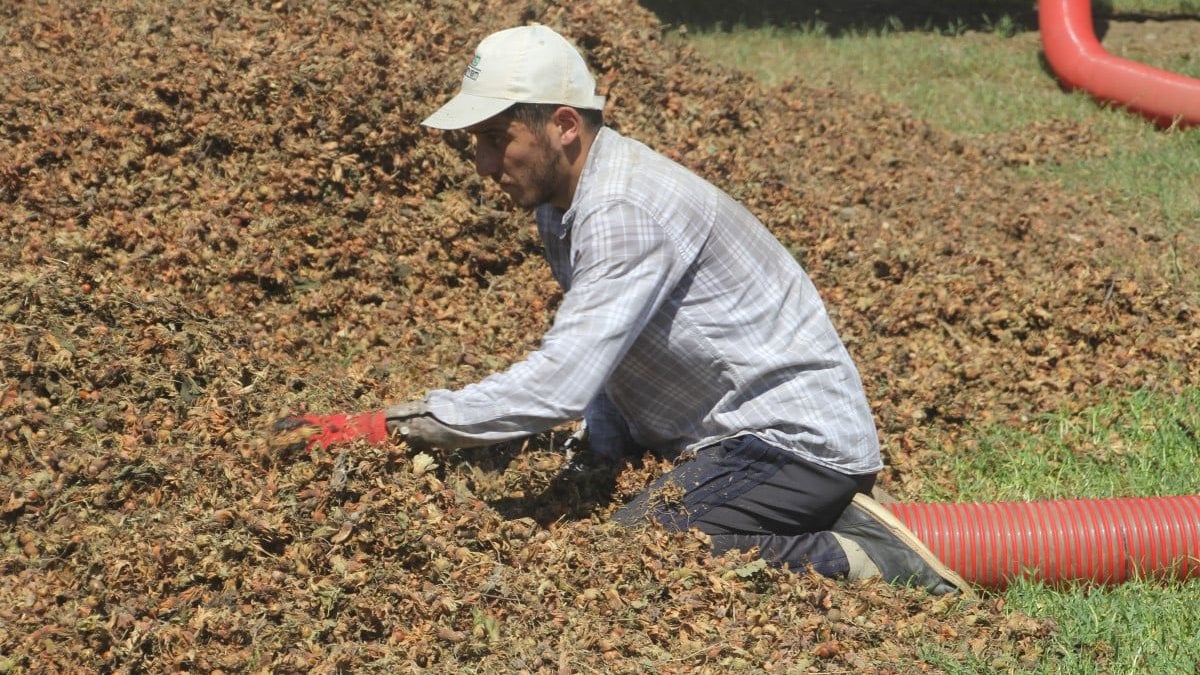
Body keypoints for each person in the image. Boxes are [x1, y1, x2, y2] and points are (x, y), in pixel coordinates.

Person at [274, 24, 971, 597]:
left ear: (564, 126)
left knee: (645, 554)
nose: (483, 164)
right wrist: (599, 453)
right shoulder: (565, 201)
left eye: (495, 138)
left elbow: (559, 383)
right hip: (715, 431)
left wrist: (396, 425)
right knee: (612, 518)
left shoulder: (622, 210)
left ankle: (858, 554)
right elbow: (616, 351)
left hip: (790, 440)